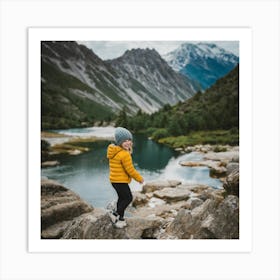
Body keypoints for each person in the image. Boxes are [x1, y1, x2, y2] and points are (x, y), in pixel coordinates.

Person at [107, 127, 144, 228]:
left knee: (122, 198)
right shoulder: (124, 154)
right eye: (124, 141)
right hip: (120, 181)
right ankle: (114, 214)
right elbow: (130, 170)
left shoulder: (113, 150)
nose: (128, 143)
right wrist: (139, 178)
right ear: (119, 142)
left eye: (129, 140)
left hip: (114, 180)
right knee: (128, 198)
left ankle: (120, 218)